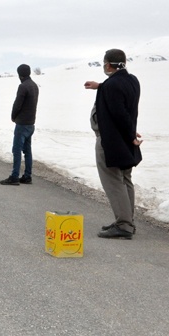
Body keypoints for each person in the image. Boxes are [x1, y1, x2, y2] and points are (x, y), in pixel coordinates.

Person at [84, 49, 142, 240]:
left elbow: (119, 113)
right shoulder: (132, 80)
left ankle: (124, 225)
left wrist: (131, 134)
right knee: (125, 179)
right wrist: (100, 86)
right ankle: (126, 220)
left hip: (111, 140)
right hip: (125, 139)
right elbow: (119, 93)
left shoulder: (111, 85)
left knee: (113, 181)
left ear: (108, 65)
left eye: (104, 63)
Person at [0, 64, 39, 185]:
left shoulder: (23, 86)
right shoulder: (34, 86)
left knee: (16, 149)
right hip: (31, 123)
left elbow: (17, 104)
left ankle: (14, 176)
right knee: (27, 150)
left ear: (20, 74)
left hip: (22, 124)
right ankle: (27, 176)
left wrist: (13, 116)